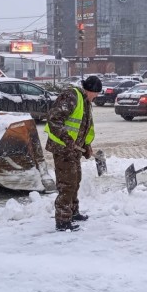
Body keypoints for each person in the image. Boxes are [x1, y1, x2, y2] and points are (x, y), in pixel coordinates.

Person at [44, 75, 102, 231]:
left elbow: (84, 128)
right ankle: (62, 221)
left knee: (75, 181)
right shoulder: (72, 96)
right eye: (95, 93)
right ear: (90, 90)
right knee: (67, 184)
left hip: (73, 150)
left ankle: (73, 212)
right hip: (63, 148)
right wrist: (68, 140)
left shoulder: (86, 102)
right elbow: (53, 118)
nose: (96, 96)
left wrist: (86, 146)